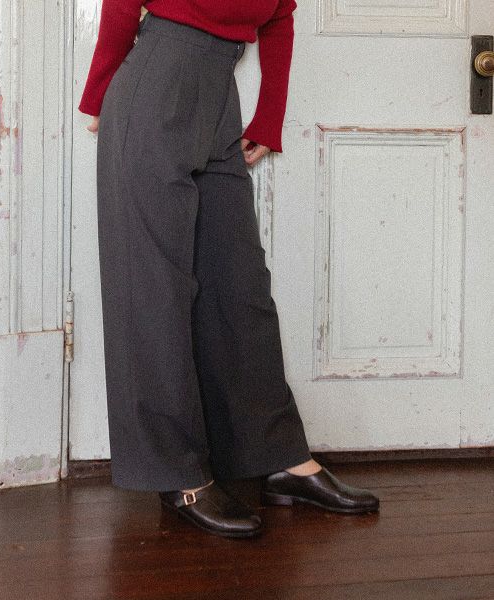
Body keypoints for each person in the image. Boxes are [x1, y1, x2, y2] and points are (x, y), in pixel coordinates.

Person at [78, 0, 380, 539]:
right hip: (156, 82)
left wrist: (270, 114)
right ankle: (178, 473)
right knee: (152, 288)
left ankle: (280, 457)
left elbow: (280, 14)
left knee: (239, 286)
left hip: (220, 91)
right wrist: (100, 91)